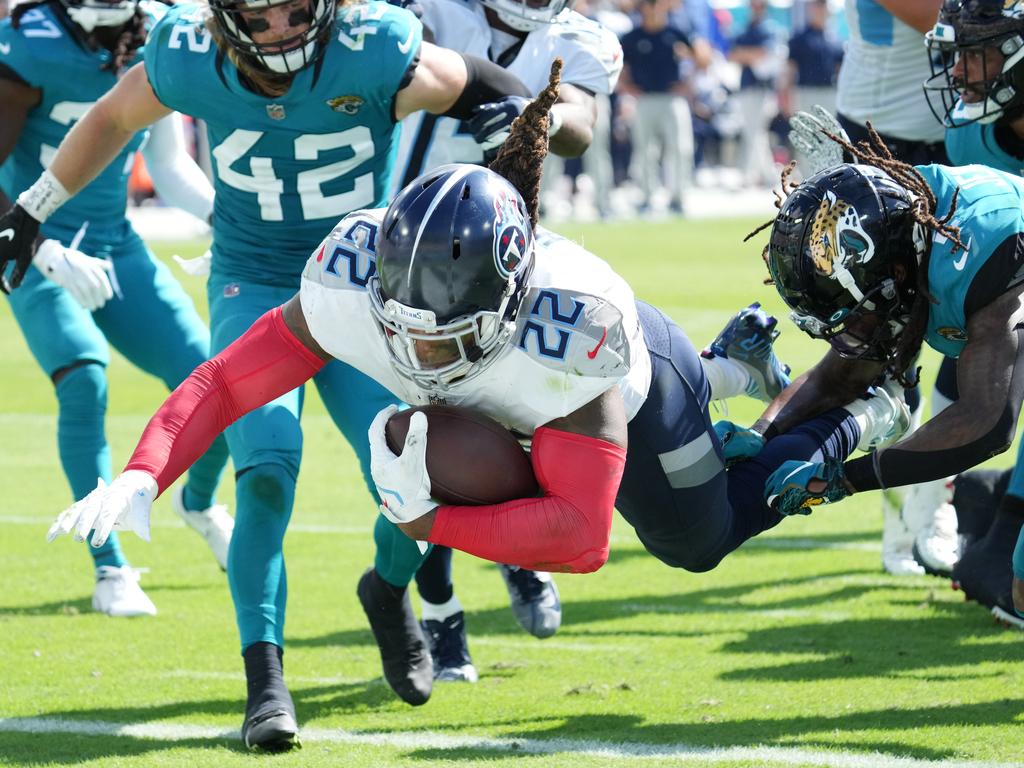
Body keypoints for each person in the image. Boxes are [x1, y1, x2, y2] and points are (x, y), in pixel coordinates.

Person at [47, 75, 911, 714]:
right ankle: (392, 590)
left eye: (441, 327)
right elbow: (226, 376)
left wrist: (430, 525)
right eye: (402, 317)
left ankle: (823, 409)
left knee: (701, 536)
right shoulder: (352, 271)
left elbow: (579, 539)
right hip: (509, 399)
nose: (415, 342)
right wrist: (142, 474)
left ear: (509, 296)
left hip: (630, 387)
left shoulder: (576, 326)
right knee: (422, 451)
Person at [0, 0, 540, 750]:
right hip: (252, 284)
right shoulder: (187, 48)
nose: (281, 28)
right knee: (265, 473)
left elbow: (474, 80)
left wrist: (515, 120)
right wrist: (35, 207)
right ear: (225, 17)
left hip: (362, 287)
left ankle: (386, 593)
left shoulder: (372, 45)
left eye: (295, 10)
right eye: (261, 15)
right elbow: (110, 117)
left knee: (415, 468)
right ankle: (266, 681)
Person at [387, 0, 622, 683]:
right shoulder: (434, 11)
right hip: (412, 259)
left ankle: (518, 552)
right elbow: (403, 60)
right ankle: (439, 609)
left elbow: (581, 125)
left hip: (509, 270)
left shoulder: (579, 37)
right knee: (422, 444)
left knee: (518, 422)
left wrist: (538, 115)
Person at [0, 0, 233, 616]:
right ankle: (111, 569)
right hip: (33, 243)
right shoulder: (26, 39)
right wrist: (42, 248)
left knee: (219, 383)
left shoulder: (159, 30)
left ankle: (200, 501)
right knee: (84, 382)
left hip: (114, 243)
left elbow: (166, 163)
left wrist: (230, 225)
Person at [742, 127, 1024, 629]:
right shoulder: (906, 232)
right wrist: (758, 434)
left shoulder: (982, 253)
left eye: (852, 312)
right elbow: (837, 381)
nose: (848, 331)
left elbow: (987, 420)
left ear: (894, 265)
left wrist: (846, 480)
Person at [789, 0, 956, 579]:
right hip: (882, 148)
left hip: (953, 136)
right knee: (881, 351)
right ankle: (906, 519)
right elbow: (941, 17)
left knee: (972, 328)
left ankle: (930, 508)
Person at [919, 0, 1024, 629]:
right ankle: (992, 517)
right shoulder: (969, 135)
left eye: (977, 54)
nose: (961, 73)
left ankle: (999, 512)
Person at [618, 0, 693, 216]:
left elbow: (701, 59)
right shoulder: (633, 37)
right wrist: (627, 88)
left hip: (672, 98)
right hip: (645, 99)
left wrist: (688, 83)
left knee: (679, 148)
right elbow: (621, 67)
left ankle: (678, 196)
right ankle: (647, 196)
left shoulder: (676, 32)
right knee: (644, 150)